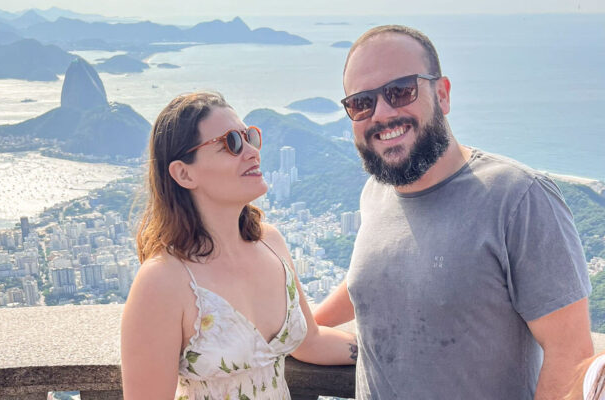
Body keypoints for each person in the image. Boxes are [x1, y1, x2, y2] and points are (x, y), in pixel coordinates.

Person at [313, 25, 594, 399]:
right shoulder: (375, 194)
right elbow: (377, 276)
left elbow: (571, 357)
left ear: (442, 95)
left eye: (400, 91)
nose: (381, 113)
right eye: (362, 102)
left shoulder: (520, 199)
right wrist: (298, 324)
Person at [120, 91, 356, 400]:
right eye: (231, 142)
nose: (252, 152)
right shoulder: (163, 281)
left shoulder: (271, 244)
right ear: (184, 173)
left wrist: (388, 353)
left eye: (250, 137)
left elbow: (309, 341)